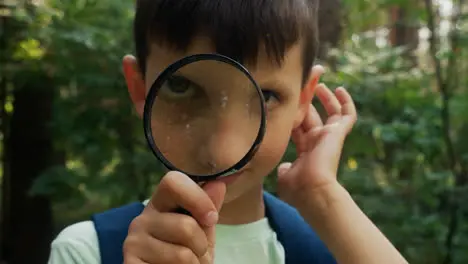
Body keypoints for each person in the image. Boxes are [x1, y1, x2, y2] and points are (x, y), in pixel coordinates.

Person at [48, 0, 408, 264]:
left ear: (303, 100)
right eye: (181, 87)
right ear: (141, 89)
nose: (223, 153)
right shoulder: (86, 252)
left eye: (266, 97)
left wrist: (322, 196)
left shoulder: (339, 247)